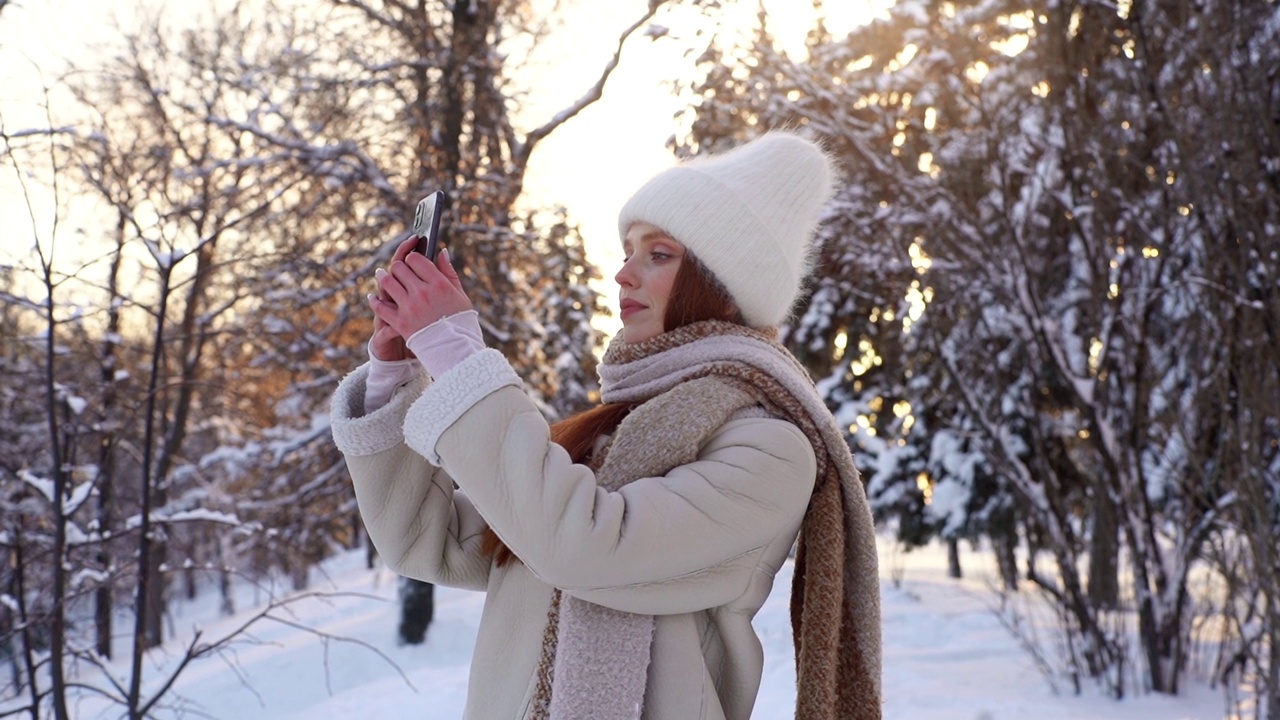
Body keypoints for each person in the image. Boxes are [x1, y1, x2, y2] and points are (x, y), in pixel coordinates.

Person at [330, 131, 882, 720]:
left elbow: (587, 547)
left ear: (725, 285)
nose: (624, 274)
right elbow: (428, 540)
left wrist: (460, 357)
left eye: (659, 254)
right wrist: (395, 373)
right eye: (627, 251)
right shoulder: (606, 442)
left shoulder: (772, 451)